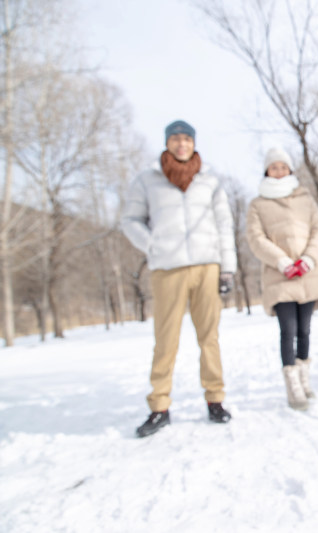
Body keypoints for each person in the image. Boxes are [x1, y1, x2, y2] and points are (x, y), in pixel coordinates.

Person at [121, 119, 236, 438]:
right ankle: (159, 406)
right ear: (167, 143)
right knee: (166, 338)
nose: (181, 144)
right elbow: (130, 220)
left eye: (187, 139)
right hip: (167, 268)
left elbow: (224, 224)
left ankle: (215, 400)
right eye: (176, 139)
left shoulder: (210, 180)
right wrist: (153, 244)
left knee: (209, 337)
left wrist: (227, 268)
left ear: (194, 143)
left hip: (206, 266)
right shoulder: (148, 180)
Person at [245, 146, 318, 411]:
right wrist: (282, 262)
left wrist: (308, 258)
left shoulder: (305, 198)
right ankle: (292, 385)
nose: (279, 171)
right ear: (267, 170)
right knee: (288, 330)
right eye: (274, 167)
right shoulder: (258, 204)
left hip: (308, 272)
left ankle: (304, 379)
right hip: (279, 275)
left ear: (289, 169)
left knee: (305, 330)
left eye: (283, 166)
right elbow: (256, 238)